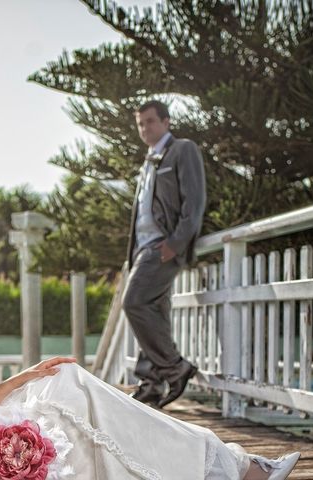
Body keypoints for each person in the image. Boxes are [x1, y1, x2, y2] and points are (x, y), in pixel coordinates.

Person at [0, 217, 300, 480]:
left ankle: (223, 466)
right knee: (75, 397)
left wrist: (22, 377)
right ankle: (227, 467)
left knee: (65, 386)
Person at [123, 100, 206, 408]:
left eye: (150, 122)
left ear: (166, 122)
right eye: (140, 123)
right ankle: (150, 383)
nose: (145, 128)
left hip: (163, 246)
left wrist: (176, 242)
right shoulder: (149, 160)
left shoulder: (182, 150)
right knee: (152, 312)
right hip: (144, 248)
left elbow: (194, 201)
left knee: (134, 303)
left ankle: (175, 367)